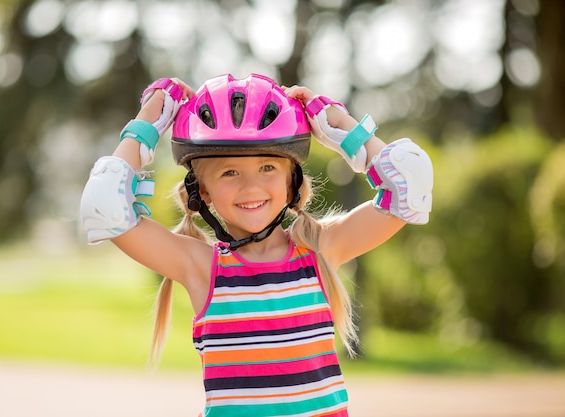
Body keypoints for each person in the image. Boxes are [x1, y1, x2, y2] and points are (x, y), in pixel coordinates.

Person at [80, 73, 433, 417]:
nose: (252, 187)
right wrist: (146, 124)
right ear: (202, 191)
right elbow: (104, 208)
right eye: (230, 173)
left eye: (267, 167)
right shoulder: (201, 267)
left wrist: (343, 128)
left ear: (291, 180)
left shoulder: (319, 251)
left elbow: (410, 190)